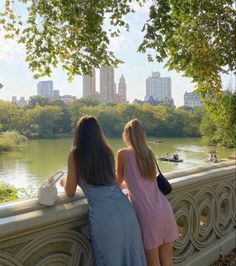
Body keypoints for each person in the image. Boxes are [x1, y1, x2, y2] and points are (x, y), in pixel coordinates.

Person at [60, 116, 146, 266]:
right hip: (127, 211)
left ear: (79, 133)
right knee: (132, 260)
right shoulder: (107, 151)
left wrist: (64, 181)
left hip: (105, 217)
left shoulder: (75, 154)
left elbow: (70, 192)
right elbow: (111, 180)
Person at [116, 119, 178, 266]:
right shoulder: (148, 153)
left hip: (147, 215)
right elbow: (142, 181)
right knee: (167, 262)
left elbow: (116, 183)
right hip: (164, 209)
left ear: (127, 135)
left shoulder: (123, 154)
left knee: (153, 263)